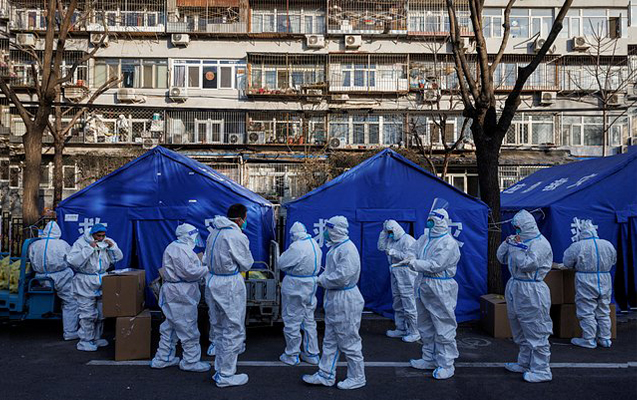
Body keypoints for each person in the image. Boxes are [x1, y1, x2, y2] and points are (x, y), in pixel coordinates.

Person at [302, 216, 366, 390]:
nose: (325, 232)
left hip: (345, 299)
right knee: (330, 340)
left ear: (336, 230)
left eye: (328, 229)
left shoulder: (347, 249)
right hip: (335, 298)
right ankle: (325, 374)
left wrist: (319, 280)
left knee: (349, 340)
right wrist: (322, 279)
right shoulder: (336, 248)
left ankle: (357, 377)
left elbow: (342, 277)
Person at [497, 209, 553, 383]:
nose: (516, 230)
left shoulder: (540, 243)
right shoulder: (519, 241)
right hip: (515, 286)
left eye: (518, 227)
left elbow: (528, 264)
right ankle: (524, 362)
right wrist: (507, 244)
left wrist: (515, 248)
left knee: (536, 329)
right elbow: (501, 258)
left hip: (532, 289)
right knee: (519, 328)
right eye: (515, 227)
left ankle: (542, 370)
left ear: (527, 226)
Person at [406, 208, 460, 380]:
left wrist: (414, 263)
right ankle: (429, 358)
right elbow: (412, 249)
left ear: (441, 221)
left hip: (440, 286)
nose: (429, 222)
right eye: (429, 219)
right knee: (425, 324)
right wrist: (409, 257)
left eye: (433, 220)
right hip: (423, 283)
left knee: (443, 325)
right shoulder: (425, 238)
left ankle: (446, 364)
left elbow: (436, 265)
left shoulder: (448, 243)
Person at [204, 204, 254, 388]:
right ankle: (226, 374)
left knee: (218, 327)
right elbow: (247, 264)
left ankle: (220, 370)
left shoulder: (213, 233)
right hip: (229, 284)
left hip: (212, 281)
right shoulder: (236, 235)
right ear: (240, 219)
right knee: (233, 329)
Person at [150, 224, 210, 372]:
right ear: (188, 235)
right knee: (188, 327)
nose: (196, 239)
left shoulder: (177, 247)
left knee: (170, 327)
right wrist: (208, 268)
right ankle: (190, 361)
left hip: (176, 292)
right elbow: (189, 272)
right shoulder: (180, 249)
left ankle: (163, 358)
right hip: (180, 293)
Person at [68, 223, 123, 352]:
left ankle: (97, 337)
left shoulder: (106, 242)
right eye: (98, 236)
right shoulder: (81, 243)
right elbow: (72, 261)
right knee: (87, 313)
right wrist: (89, 249)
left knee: (101, 312)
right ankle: (85, 341)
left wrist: (112, 247)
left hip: (102, 279)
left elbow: (118, 258)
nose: (101, 238)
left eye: (103, 235)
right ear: (92, 234)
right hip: (85, 281)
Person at [563, 219, 617, 349]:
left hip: (585, 279)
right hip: (605, 278)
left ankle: (588, 339)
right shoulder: (608, 245)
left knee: (586, 309)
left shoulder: (577, 246)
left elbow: (567, 263)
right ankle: (605, 338)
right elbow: (614, 260)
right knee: (603, 309)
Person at [279, 222, 322, 366]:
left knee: (292, 320)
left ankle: (292, 355)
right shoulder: (314, 244)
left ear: (293, 235)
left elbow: (281, 263)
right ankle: (312, 354)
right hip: (311, 285)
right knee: (308, 320)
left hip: (296, 286)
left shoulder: (296, 247)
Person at [28, 221, 78, 341]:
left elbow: (31, 259)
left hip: (40, 278)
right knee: (70, 301)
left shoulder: (34, 245)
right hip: (61, 276)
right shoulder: (62, 244)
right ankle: (70, 332)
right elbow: (71, 260)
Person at [377, 220, 419, 342]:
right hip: (395, 272)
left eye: (391, 231)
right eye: (388, 232)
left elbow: (411, 257)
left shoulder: (408, 240)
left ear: (396, 229)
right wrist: (383, 233)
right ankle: (401, 328)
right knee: (397, 302)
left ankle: (415, 331)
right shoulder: (391, 239)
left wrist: (394, 252)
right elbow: (381, 247)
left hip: (407, 273)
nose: (390, 234)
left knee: (409, 302)